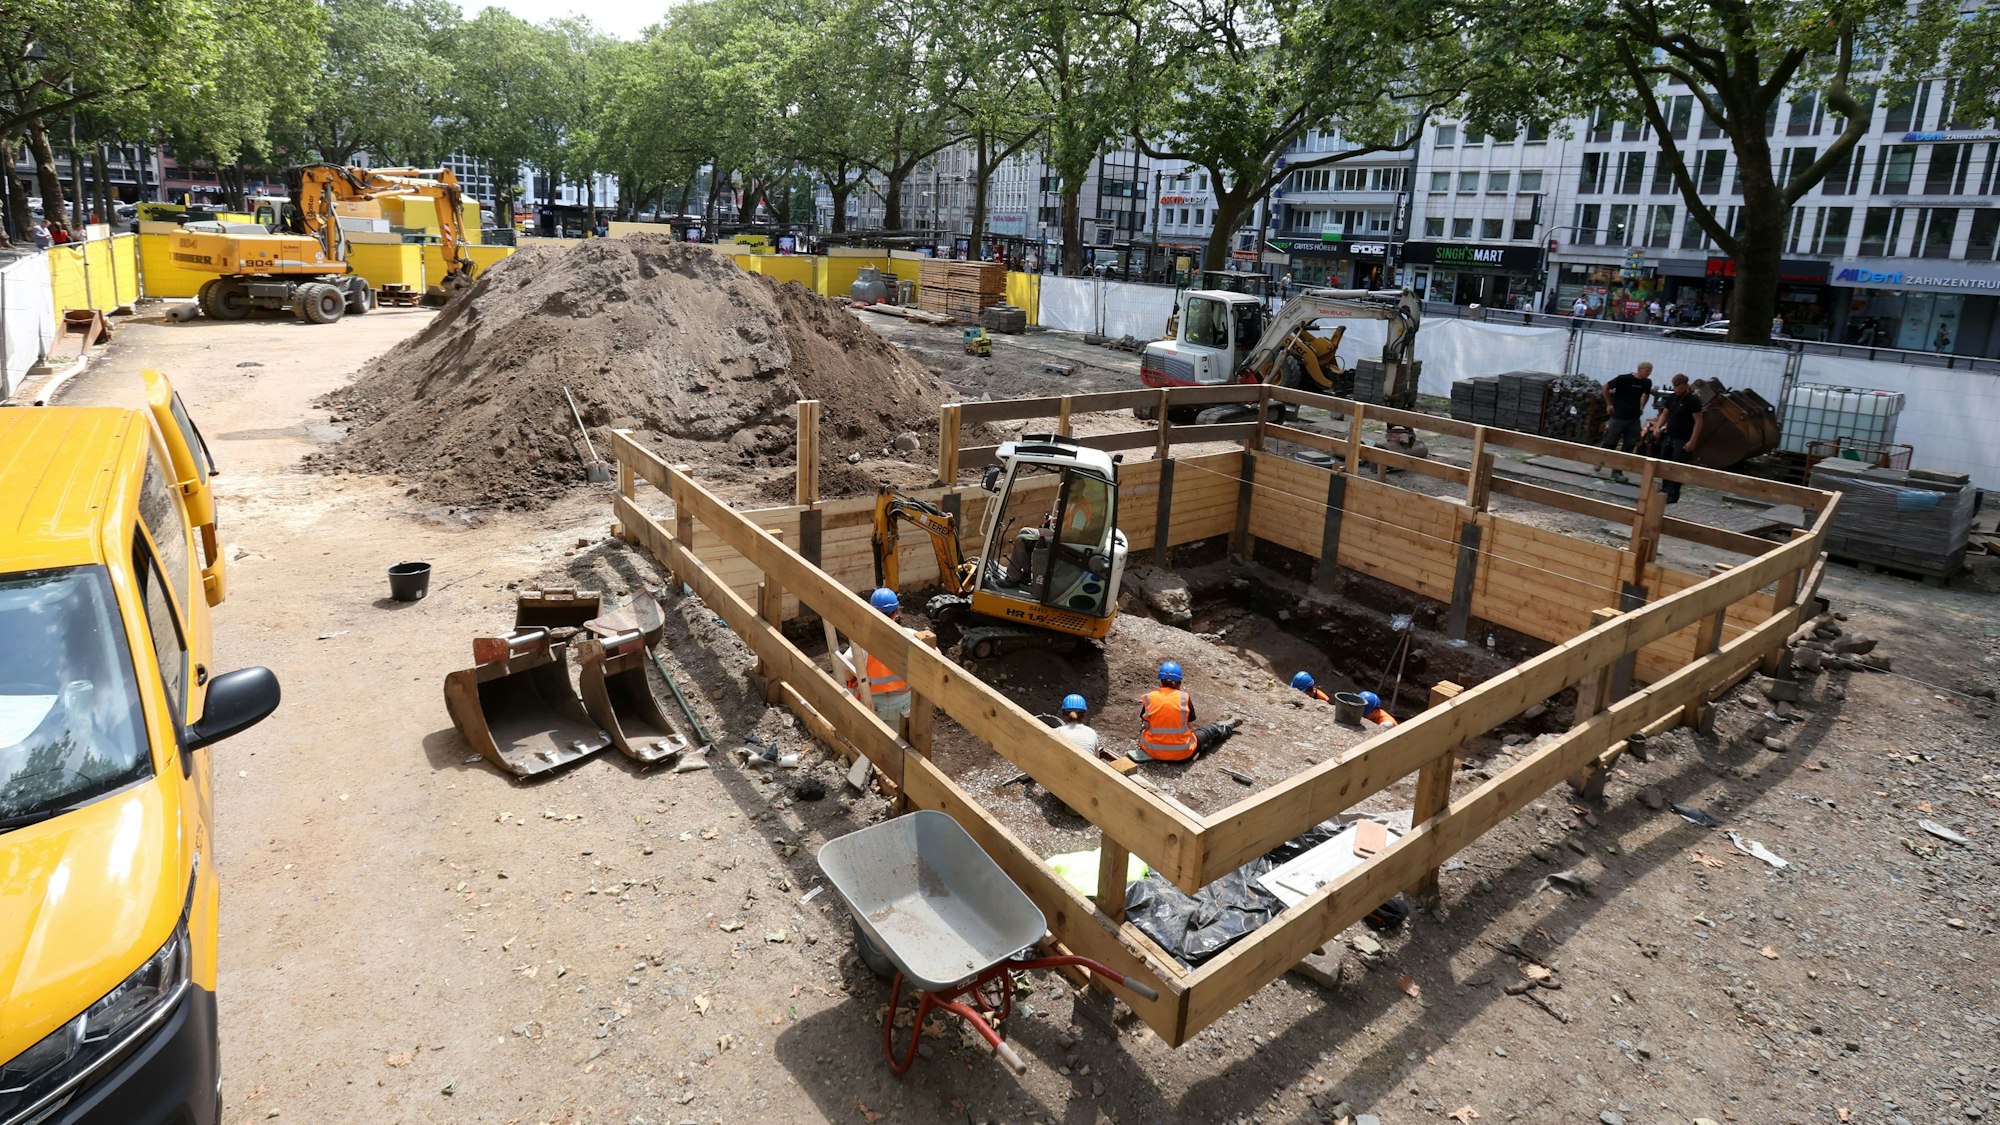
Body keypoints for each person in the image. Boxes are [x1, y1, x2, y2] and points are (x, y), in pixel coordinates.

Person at [1129, 661, 1241, 762]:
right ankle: (1229, 725)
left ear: (1161, 681)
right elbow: (1190, 726)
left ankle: (1202, 748)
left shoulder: (1149, 698)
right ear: (1179, 682)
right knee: (1209, 731)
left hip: (1151, 751)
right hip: (1182, 753)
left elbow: (1146, 725)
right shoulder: (1184, 698)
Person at [843, 588, 912, 726]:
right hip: (902, 704)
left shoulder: (865, 642)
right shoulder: (910, 636)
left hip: (873, 703)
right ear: (896, 612)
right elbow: (936, 654)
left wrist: (852, 679)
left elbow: (846, 664)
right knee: (897, 743)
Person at [1652, 374, 1705, 504]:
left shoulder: (1693, 401)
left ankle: (1673, 493)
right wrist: (1658, 427)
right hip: (1670, 435)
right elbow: (1665, 414)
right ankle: (1664, 489)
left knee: (1676, 466)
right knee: (1665, 463)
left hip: (1683, 438)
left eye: (1681, 388)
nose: (1678, 391)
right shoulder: (1671, 397)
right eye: (1676, 388)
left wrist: (1692, 441)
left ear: (1687, 386)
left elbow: (1698, 422)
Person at [1600, 361, 1655, 482]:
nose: (1649, 373)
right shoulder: (1623, 379)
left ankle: (1617, 472)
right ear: (1640, 369)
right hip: (1618, 416)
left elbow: (1647, 394)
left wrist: (1642, 407)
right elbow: (1605, 387)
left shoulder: (1647, 382)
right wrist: (1609, 404)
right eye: (1647, 370)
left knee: (1629, 445)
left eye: (1651, 371)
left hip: (1633, 418)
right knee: (1610, 441)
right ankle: (1600, 460)